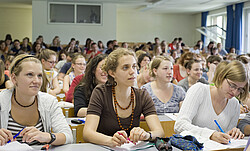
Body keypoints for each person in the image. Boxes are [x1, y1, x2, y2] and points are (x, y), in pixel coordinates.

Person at [83, 48, 164, 147]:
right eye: (125, 67)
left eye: (134, 66)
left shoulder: (142, 95)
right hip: (105, 147)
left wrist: (146, 135)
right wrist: (110, 140)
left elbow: (160, 132)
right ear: (112, 73)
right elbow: (87, 133)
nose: (132, 72)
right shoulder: (101, 93)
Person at [0, 54, 73, 146]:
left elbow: (68, 136)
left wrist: (47, 136)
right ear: (14, 79)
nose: (37, 81)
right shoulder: (1, 101)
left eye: (39, 76)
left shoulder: (49, 102)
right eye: (30, 75)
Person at [174, 60, 249, 144]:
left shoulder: (234, 104)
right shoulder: (199, 90)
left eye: (240, 89)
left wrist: (232, 134)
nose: (235, 92)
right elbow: (180, 125)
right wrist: (211, 134)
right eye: (232, 85)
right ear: (221, 77)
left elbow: (227, 136)